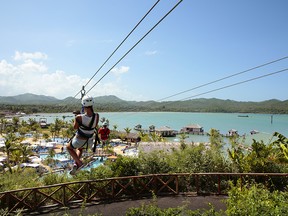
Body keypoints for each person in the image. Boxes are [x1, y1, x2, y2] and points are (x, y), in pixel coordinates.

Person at [66, 95, 99, 175]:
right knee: (80, 149)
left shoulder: (79, 117)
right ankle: (76, 164)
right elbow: (93, 125)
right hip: (90, 142)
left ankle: (79, 162)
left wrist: (77, 118)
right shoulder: (97, 116)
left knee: (68, 148)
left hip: (79, 140)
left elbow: (75, 127)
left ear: (83, 104)